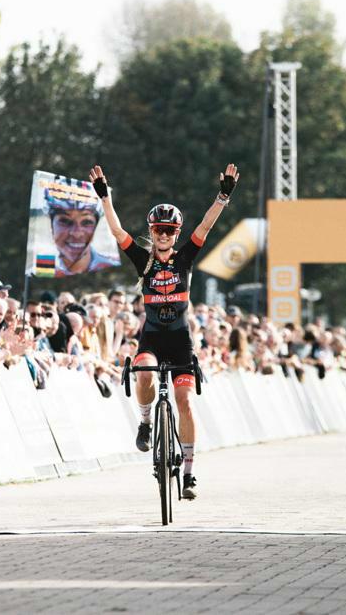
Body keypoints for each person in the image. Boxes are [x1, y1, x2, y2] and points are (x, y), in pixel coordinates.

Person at [89, 161, 239, 500]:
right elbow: (116, 232)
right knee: (143, 372)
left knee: (184, 401)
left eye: (170, 230)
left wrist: (223, 196)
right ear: (152, 231)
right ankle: (145, 422)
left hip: (181, 340)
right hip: (153, 335)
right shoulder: (144, 260)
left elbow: (206, 225)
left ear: (177, 233)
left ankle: (188, 472)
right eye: (159, 229)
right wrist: (104, 197)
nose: (164, 235)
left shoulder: (185, 257)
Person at [44, 184, 120, 277]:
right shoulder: (42, 268)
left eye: (87, 222)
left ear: (96, 227)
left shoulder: (109, 267)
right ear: (51, 227)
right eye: (65, 221)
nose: (76, 233)